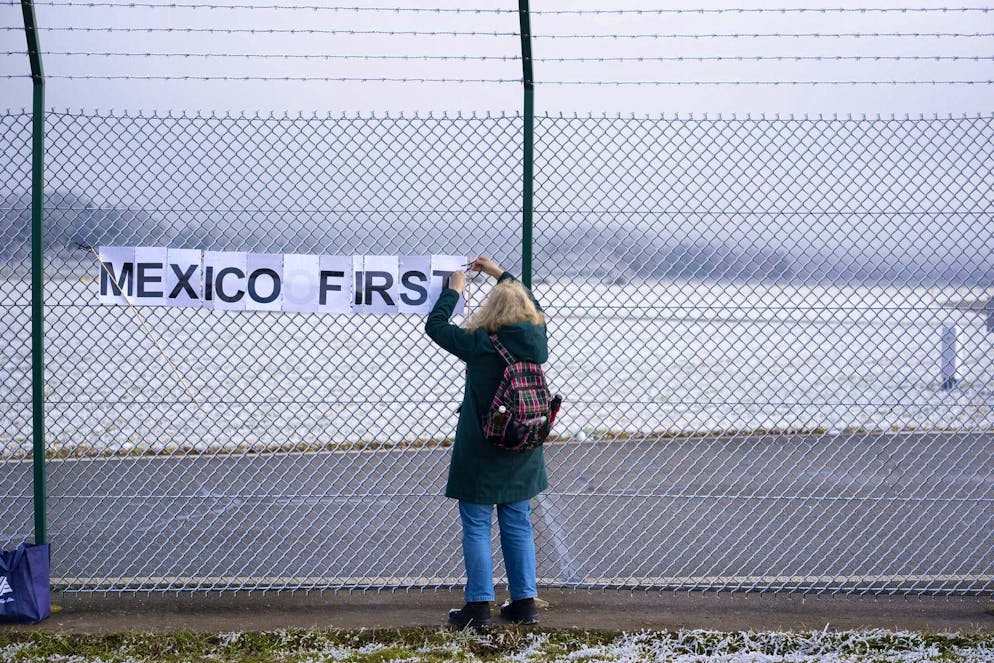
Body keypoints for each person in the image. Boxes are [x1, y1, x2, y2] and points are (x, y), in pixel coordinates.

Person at [424, 255, 549, 628]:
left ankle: (478, 606)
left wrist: (455, 291)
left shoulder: (478, 342)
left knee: (477, 523)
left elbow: (435, 325)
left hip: (482, 447)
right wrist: (500, 274)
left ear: (490, 307)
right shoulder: (537, 339)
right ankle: (524, 602)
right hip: (523, 444)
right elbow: (534, 306)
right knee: (517, 521)